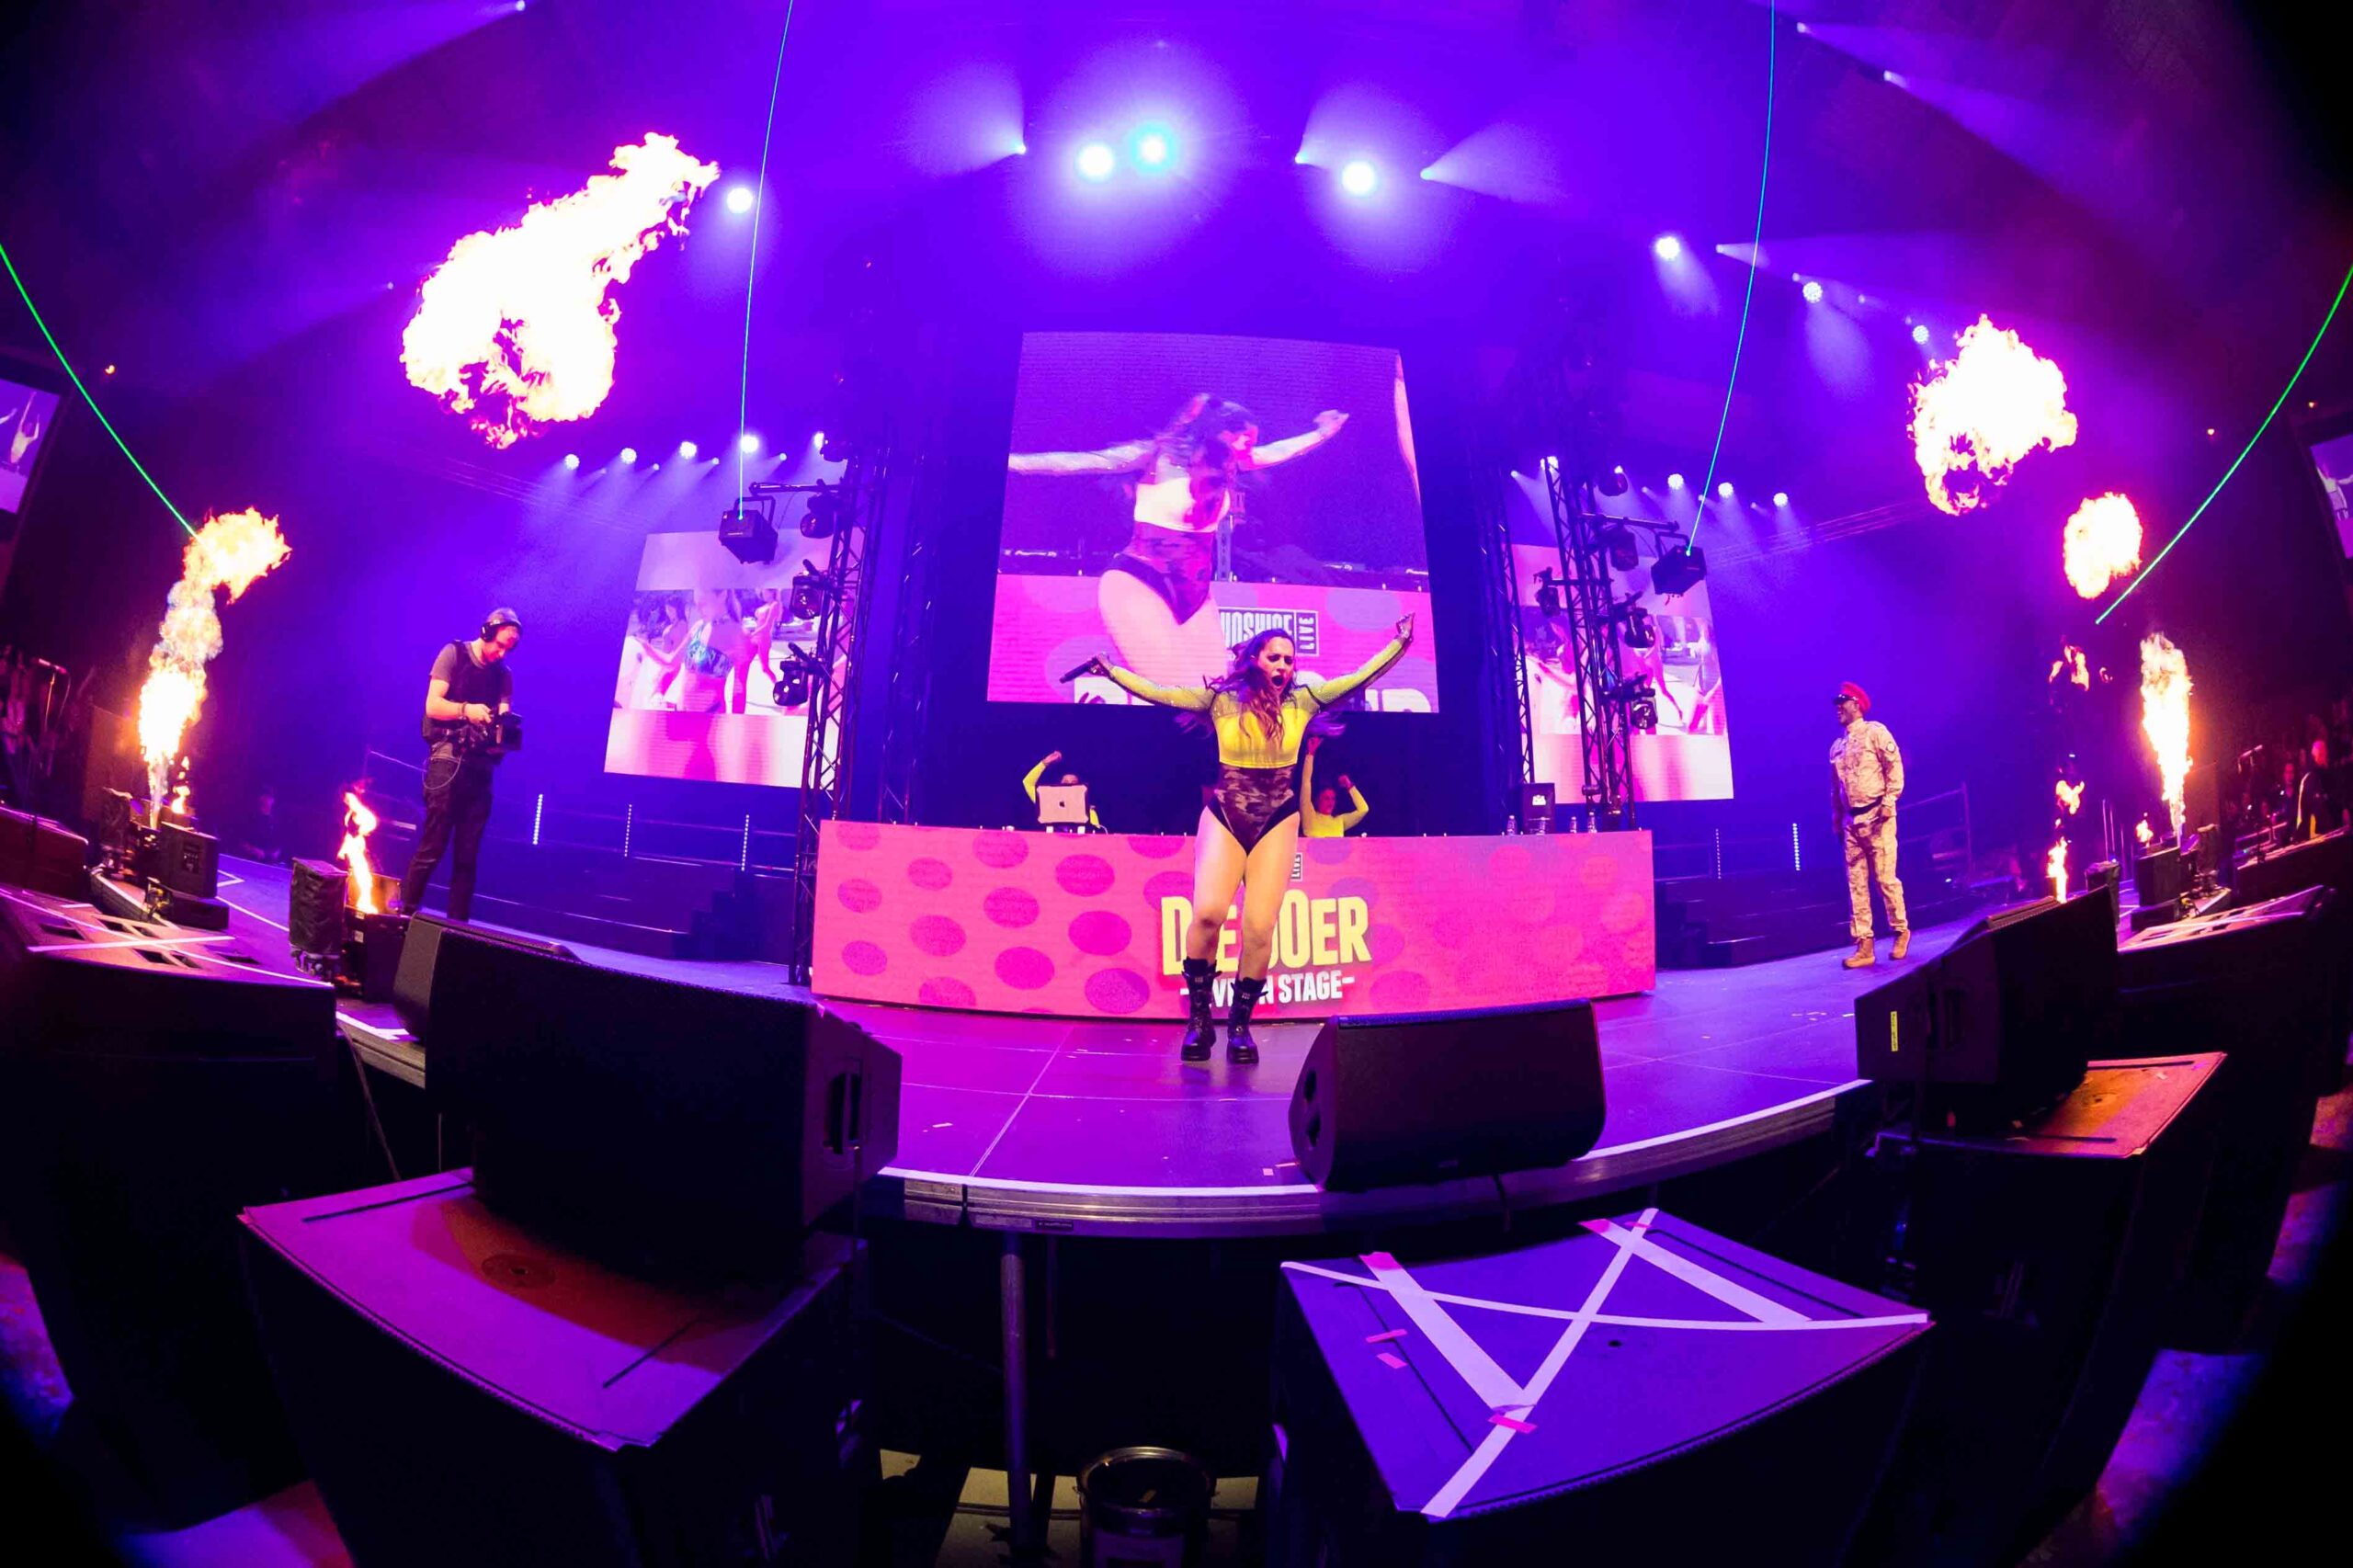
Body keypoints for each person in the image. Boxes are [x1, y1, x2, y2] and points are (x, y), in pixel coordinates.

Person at [1083, 617, 1414, 1063]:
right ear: (1255, 659)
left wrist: (1399, 643)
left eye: (1289, 660)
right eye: (1274, 657)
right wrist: (1112, 671)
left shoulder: (1304, 700)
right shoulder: (1221, 701)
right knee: (1207, 914)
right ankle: (1200, 1020)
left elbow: (1360, 677)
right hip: (1226, 814)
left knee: (1259, 928)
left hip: (1277, 819)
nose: (1283, 666)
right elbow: (1158, 693)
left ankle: (1240, 1026)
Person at [1010, 394, 1350, 687]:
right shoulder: (1155, 456)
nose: (1247, 446)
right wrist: (1009, 461)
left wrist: (1323, 432)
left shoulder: (1231, 464)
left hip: (1195, 592)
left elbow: (1281, 451)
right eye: (1242, 438)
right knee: (1175, 692)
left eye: (1251, 440)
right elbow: (1078, 463)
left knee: (1211, 693)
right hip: (1140, 578)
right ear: (1215, 432)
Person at [399, 610, 519, 922]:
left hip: (481, 768)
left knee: (468, 855)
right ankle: (405, 915)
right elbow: (432, 705)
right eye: (500, 645)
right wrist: (467, 710)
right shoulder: (454, 654)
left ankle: (457, 929)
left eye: (509, 649)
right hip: (448, 758)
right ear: (487, 632)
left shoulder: (503, 675)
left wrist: (502, 737)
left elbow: (503, 717)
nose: (502, 654)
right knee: (433, 845)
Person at [1830, 681, 1907, 967]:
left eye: (1843, 702)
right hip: (1852, 821)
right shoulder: (1837, 747)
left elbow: (1893, 767)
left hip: (1878, 816)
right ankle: (1864, 944)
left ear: (1857, 704)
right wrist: (1837, 817)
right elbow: (1835, 787)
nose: (1838, 708)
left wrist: (1889, 802)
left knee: (1885, 879)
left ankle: (1900, 930)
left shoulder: (1875, 732)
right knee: (1857, 885)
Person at [1300, 737, 1368, 837]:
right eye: (1326, 798)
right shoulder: (1309, 815)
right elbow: (1306, 783)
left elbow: (1363, 809)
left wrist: (1349, 786)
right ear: (1318, 800)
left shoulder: (1339, 820)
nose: (1330, 802)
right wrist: (1310, 754)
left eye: (1333, 799)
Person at [1023, 748, 1103, 831]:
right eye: (1065, 782)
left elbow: (1097, 834)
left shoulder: (1088, 811)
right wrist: (1045, 763)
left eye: (1074, 783)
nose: (1069, 785)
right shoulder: (1048, 803)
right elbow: (1028, 783)